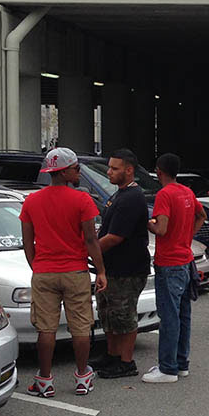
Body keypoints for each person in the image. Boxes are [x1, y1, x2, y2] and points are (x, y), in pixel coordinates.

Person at [18, 148, 107, 398]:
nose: (79, 173)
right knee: (80, 326)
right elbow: (91, 239)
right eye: (76, 168)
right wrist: (101, 270)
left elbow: (27, 241)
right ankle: (82, 377)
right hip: (75, 271)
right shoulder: (82, 200)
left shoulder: (31, 201)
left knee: (46, 329)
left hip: (44, 271)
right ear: (64, 172)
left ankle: (44, 380)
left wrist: (36, 266)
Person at [144, 152, 207, 382]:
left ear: (158, 171)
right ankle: (181, 363)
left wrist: (148, 223)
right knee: (183, 314)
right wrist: (188, 235)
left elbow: (161, 229)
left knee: (169, 316)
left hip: (168, 261)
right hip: (185, 259)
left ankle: (167, 368)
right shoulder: (186, 191)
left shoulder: (165, 194)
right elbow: (201, 214)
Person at [95, 148, 151, 379]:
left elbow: (115, 237)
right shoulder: (119, 194)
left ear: (129, 170)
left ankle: (126, 362)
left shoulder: (132, 198)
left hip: (127, 269)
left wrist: (88, 250)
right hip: (112, 268)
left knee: (124, 315)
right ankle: (112, 355)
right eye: (109, 167)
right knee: (108, 314)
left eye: (114, 168)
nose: (109, 172)